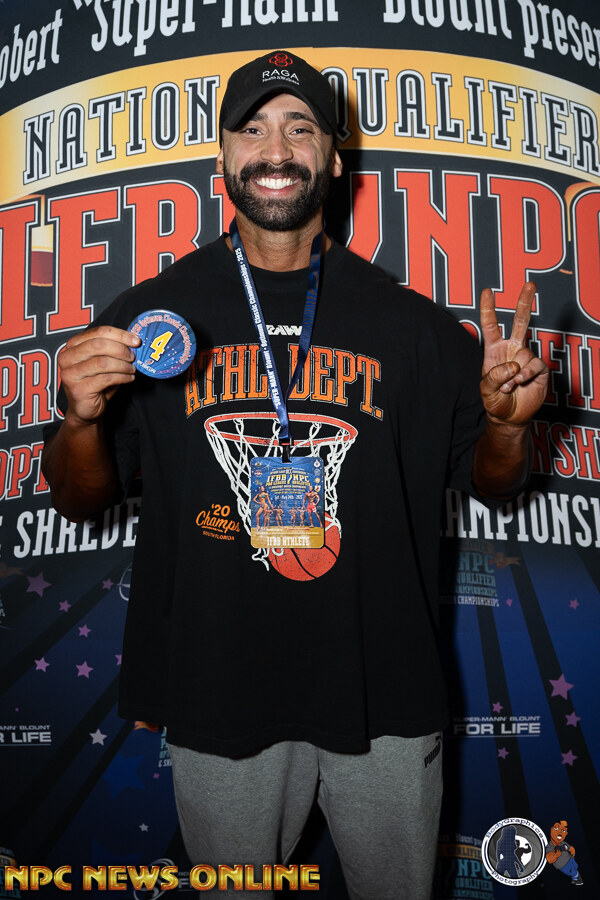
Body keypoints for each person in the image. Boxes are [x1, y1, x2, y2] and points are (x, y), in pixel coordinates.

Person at [42, 50, 548, 899]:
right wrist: (78, 420)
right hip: (218, 692)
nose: (275, 150)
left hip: (383, 694)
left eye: (300, 128)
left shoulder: (412, 326)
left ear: (334, 161)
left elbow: (497, 484)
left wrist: (504, 426)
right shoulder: (146, 319)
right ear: (222, 157)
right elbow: (79, 497)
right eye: (253, 129)